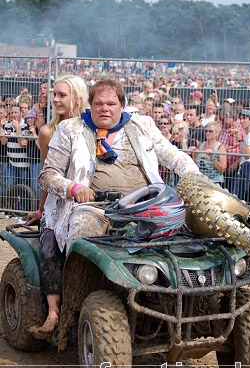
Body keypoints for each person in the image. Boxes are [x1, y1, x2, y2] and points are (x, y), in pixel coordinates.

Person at [38, 79, 200, 331]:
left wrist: (194, 176)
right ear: (89, 105)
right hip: (94, 207)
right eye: (99, 103)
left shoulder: (141, 125)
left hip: (147, 206)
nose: (105, 109)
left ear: (122, 106)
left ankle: (175, 297)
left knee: (185, 238)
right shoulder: (71, 129)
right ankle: (82, 305)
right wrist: (75, 188)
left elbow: (174, 156)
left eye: (111, 104)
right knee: (82, 233)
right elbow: (48, 175)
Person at [27, 75, 89, 334]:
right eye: (54, 94)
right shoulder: (47, 132)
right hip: (56, 204)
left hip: (86, 204)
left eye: (62, 95)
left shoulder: (91, 129)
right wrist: (42, 212)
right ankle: (53, 314)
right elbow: (45, 176)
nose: (55, 99)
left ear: (77, 97)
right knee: (50, 247)